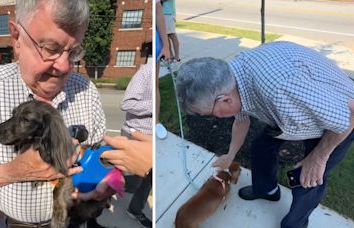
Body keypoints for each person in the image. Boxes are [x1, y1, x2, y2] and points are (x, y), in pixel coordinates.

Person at [0, 0, 112, 226]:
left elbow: (99, 157)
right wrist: (13, 172)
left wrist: (102, 183)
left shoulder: (86, 90)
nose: (65, 65)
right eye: (51, 48)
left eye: (74, 51)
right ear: (16, 37)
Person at [175, 41, 354, 228]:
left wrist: (318, 157)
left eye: (210, 114)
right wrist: (230, 155)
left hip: (338, 121)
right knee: (261, 147)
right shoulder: (233, 79)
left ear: (225, 100)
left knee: (307, 178)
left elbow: (350, 113)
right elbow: (241, 119)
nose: (214, 118)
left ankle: (295, 224)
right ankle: (267, 190)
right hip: (298, 108)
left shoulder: (282, 88)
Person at [119, 64, 153, 227]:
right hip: (135, 135)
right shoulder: (146, 72)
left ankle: (135, 210)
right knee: (130, 183)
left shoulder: (160, 70)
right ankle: (100, 197)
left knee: (149, 180)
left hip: (154, 138)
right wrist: (154, 104)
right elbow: (126, 104)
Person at [155, 0, 171, 139]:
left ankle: (156, 121)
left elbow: (159, 14)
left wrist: (166, 46)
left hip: (155, 42)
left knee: (154, 85)